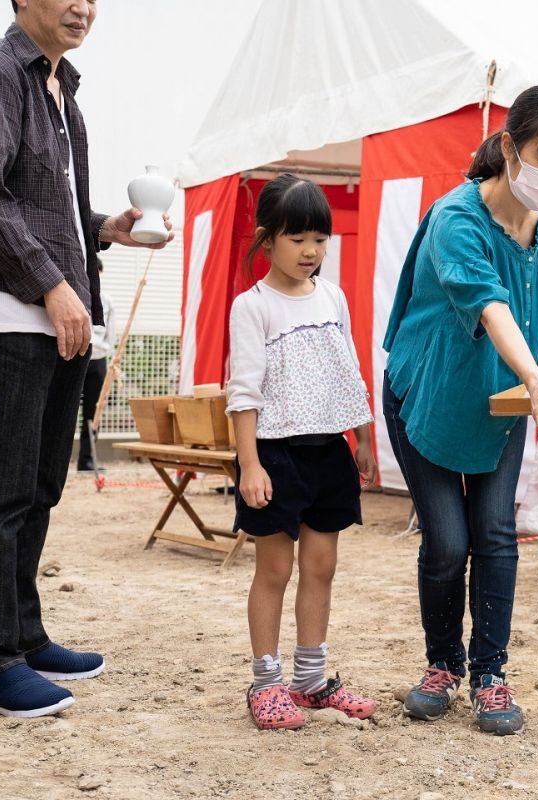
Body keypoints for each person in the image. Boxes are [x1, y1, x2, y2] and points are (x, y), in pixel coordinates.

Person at [0, 0, 173, 718]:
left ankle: (23, 635)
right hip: (7, 310)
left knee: (40, 486)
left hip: (56, 313)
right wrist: (51, 283)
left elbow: (46, 206)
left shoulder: (61, 89)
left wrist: (110, 229)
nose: (83, 6)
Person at [382, 84, 538, 736]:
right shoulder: (457, 220)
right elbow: (489, 302)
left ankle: (491, 674)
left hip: (504, 396)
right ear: (508, 148)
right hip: (430, 394)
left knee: (497, 534)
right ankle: (442, 665)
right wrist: (534, 373)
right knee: (448, 542)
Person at [226, 175, 379, 730]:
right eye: (297, 238)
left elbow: (347, 370)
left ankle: (311, 680)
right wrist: (249, 464)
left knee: (322, 565)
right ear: (267, 240)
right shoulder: (253, 306)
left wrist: (361, 438)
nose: (311, 251)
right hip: (275, 455)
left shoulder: (332, 296)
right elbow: (242, 391)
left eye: (320, 238)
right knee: (274, 568)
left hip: (329, 451)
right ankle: (266, 685)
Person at [77, 259, 114, 472]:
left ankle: (87, 459)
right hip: (75, 355)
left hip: (98, 358)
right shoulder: (74, 295)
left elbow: (111, 331)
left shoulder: (106, 300)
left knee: (93, 411)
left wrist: (103, 349)